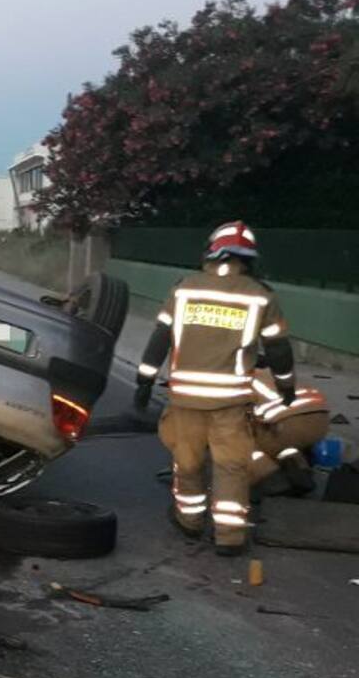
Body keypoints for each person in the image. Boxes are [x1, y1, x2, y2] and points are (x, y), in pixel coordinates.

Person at [135, 221, 296, 556]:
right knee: (231, 466)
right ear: (248, 259)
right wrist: (286, 386)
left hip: (186, 399)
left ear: (210, 251)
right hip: (231, 402)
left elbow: (160, 339)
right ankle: (230, 537)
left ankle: (189, 522)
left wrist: (145, 380)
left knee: (188, 461)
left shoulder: (184, 289)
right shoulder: (261, 295)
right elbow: (279, 349)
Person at [249, 368, 329, 496]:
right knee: (280, 443)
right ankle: (300, 471)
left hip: (288, 423)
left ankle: (271, 480)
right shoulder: (264, 373)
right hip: (321, 419)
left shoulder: (231, 384)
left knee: (236, 443)